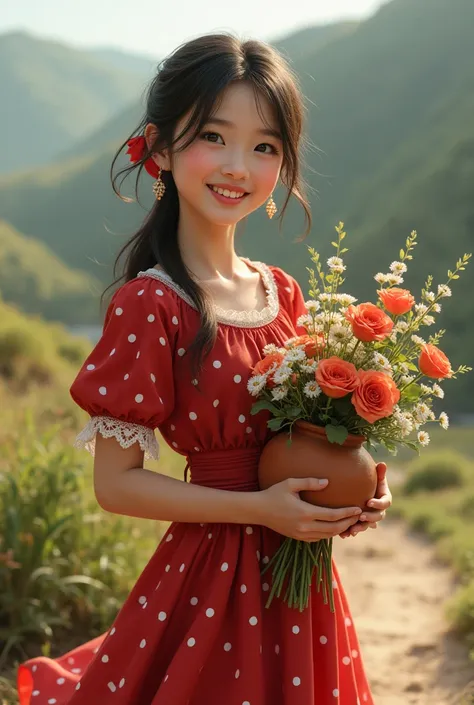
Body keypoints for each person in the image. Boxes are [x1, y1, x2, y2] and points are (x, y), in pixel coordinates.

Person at [17, 32, 391, 705]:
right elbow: (117, 486)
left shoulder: (285, 294)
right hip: (209, 584)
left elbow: (299, 443)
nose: (238, 166)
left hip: (300, 582)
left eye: (265, 146)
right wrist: (256, 509)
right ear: (160, 148)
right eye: (214, 137)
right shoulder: (151, 304)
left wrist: (351, 496)